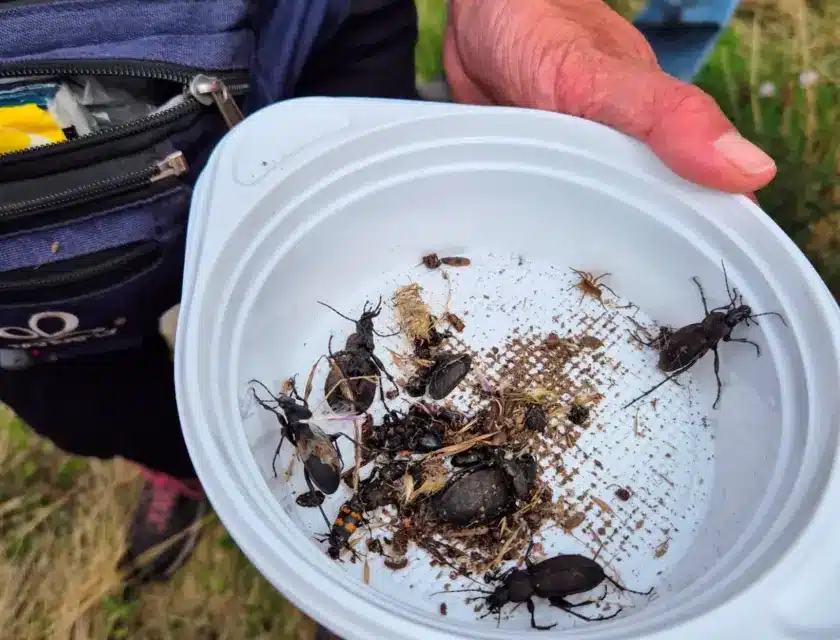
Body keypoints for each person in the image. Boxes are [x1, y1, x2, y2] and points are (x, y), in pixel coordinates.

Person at [0, 0, 776, 612]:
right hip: (25, 285)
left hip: (300, 36)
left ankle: (246, 496)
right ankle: (186, 467)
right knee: (86, 401)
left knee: (350, 257)